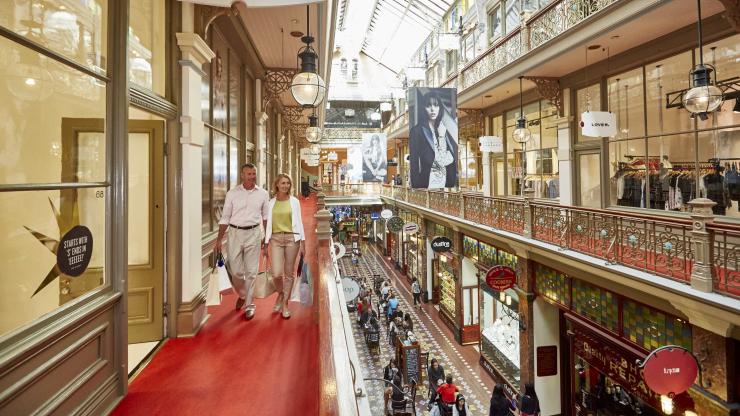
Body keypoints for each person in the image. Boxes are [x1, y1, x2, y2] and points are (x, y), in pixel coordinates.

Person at [215, 163, 269, 320]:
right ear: (242, 175)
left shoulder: (263, 194)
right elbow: (225, 217)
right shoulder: (232, 194)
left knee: (251, 272)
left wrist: (266, 238)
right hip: (235, 233)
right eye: (249, 173)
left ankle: (249, 305)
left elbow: (265, 217)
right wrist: (219, 239)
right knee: (236, 271)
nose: (252, 176)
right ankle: (244, 294)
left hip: (254, 232)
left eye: (254, 173)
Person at [264, 173, 306, 319]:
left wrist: (303, 243)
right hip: (275, 238)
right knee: (276, 273)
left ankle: (285, 303)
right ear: (277, 185)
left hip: (292, 238)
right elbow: (267, 223)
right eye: (283, 183)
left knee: (289, 273)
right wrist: (265, 243)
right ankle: (281, 294)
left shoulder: (294, 202)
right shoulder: (270, 203)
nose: (285, 185)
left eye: (288, 183)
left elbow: (299, 222)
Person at [409, 89, 458, 189]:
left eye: (436, 105)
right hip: (428, 183)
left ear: (440, 107)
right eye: (428, 105)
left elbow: (449, 159)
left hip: (446, 183)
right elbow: (414, 163)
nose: (432, 109)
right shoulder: (417, 131)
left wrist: (441, 136)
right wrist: (416, 187)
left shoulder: (444, 130)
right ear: (424, 108)